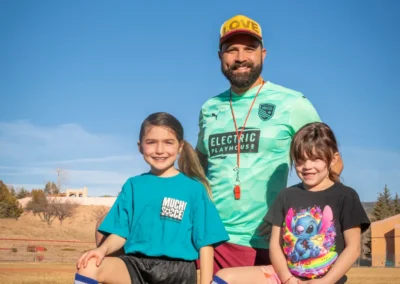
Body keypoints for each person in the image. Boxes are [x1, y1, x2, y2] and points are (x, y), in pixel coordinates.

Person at [196, 14, 343, 272]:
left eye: (249, 49)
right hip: (210, 240)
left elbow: (332, 162)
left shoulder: (293, 103)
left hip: (267, 242)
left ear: (263, 54)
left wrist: (293, 211)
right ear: (220, 56)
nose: (240, 57)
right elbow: (198, 166)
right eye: (232, 50)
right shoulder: (210, 108)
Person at [75, 112, 229, 284]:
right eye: (151, 142)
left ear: (180, 146)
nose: (159, 150)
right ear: (140, 146)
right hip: (135, 266)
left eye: (168, 142)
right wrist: (102, 250)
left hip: (178, 272)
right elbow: (120, 233)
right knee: (89, 266)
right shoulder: (133, 185)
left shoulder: (194, 189)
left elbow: (205, 243)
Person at [212, 122, 370, 284]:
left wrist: (325, 281)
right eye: (301, 160)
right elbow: (274, 246)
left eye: (316, 159)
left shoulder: (345, 196)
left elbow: (353, 249)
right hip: (285, 276)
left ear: (333, 159)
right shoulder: (286, 196)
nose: (307, 166)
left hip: (326, 281)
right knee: (224, 277)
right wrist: (288, 279)